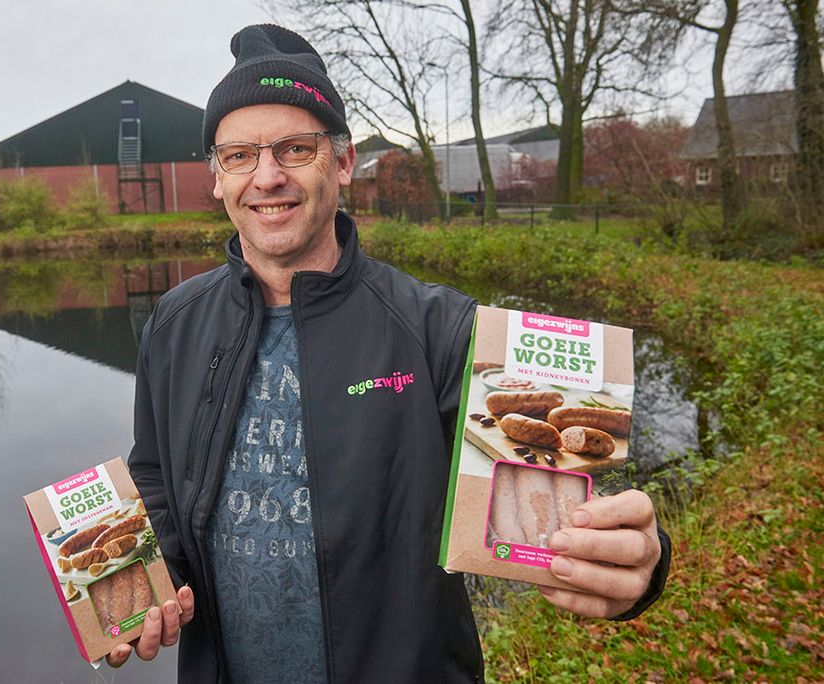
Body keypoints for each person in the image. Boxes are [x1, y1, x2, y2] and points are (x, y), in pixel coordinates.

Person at [110, 24, 670, 682]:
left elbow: (560, 492)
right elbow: (153, 477)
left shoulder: (440, 329)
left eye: (294, 148)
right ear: (217, 178)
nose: (267, 177)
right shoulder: (175, 324)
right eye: (239, 156)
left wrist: (638, 563)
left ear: (342, 162)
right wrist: (157, 572)